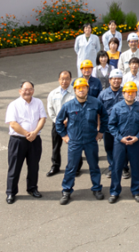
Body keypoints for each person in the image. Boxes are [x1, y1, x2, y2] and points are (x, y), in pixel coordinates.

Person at [55, 77, 107, 205]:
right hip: (75, 141)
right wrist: (64, 136)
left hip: (91, 140)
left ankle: (96, 188)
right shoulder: (68, 105)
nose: (81, 90)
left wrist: (101, 132)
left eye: (83, 87)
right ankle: (66, 190)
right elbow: (58, 122)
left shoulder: (96, 103)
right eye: (78, 88)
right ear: (75, 90)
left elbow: (105, 117)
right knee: (71, 167)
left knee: (94, 166)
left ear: (87, 89)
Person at [107, 81, 139, 203]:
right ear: (123, 93)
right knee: (117, 167)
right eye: (128, 92)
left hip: (135, 143)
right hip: (120, 142)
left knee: (136, 167)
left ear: (136, 93)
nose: (130, 95)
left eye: (133, 92)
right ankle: (114, 191)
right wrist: (120, 138)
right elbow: (111, 125)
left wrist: (137, 137)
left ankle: (136, 190)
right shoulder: (116, 107)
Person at [5, 81, 46, 204]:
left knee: (34, 166)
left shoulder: (38, 102)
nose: (27, 91)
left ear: (33, 90)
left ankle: (32, 188)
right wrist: (26, 133)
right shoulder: (14, 105)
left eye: (30, 89)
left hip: (35, 140)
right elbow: (13, 123)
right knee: (14, 168)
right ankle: (11, 192)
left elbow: (42, 118)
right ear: (20, 91)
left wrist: (34, 133)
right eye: (25, 89)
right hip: (18, 140)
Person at [46, 70, 74, 177]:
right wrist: (57, 121)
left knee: (74, 145)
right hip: (57, 124)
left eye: (67, 79)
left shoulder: (74, 92)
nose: (64, 81)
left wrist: (68, 120)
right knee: (56, 145)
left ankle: (75, 166)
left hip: (71, 124)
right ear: (59, 80)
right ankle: (55, 165)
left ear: (70, 80)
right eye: (62, 79)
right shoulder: (53, 93)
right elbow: (50, 109)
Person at [98, 71, 124, 175]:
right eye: (114, 78)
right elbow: (98, 111)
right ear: (109, 80)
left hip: (122, 126)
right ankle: (112, 167)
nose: (116, 81)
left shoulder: (125, 92)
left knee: (122, 148)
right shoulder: (103, 94)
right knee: (109, 148)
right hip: (108, 127)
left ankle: (123, 168)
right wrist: (99, 127)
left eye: (118, 79)